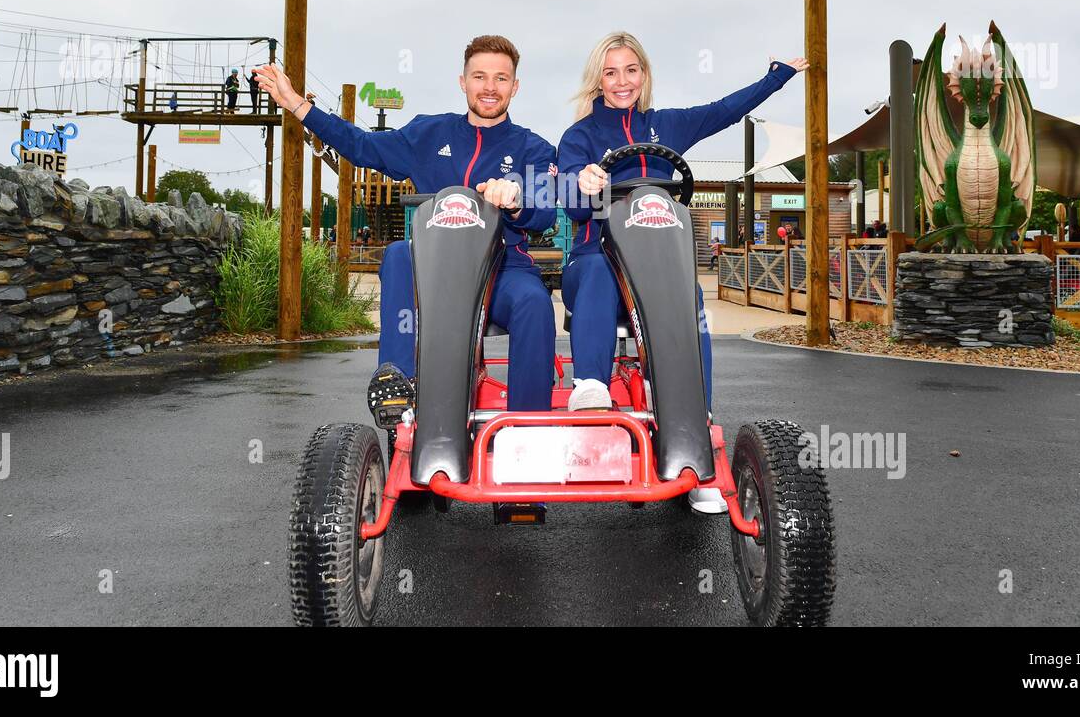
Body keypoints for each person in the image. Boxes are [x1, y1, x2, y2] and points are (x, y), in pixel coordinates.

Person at [558, 30, 806, 514]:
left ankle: (694, 439)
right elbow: (570, 195)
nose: (622, 81)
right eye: (611, 72)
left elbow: (725, 110)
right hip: (594, 257)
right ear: (598, 80)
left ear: (644, 75)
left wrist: (776, 78)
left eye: (631, 70)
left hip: (657, 263)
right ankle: (590, 384)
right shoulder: (580, 136)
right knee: (600, 276)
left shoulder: (667, 126)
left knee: (687, 299)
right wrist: (584, 182)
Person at [253, 35, 558, 417]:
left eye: (501, 78)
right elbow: (362, 145)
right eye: (480, 76)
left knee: (535, 302)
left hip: (502, 271)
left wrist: (515, 197)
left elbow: (544, 209)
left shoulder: (535, 148)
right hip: (437, 273)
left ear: (515, 86)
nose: (490, 87)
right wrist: (297, 105)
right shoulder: (428, 133)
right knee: (399, 253)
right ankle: (399, 385)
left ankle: (526, 429)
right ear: (463, 82)